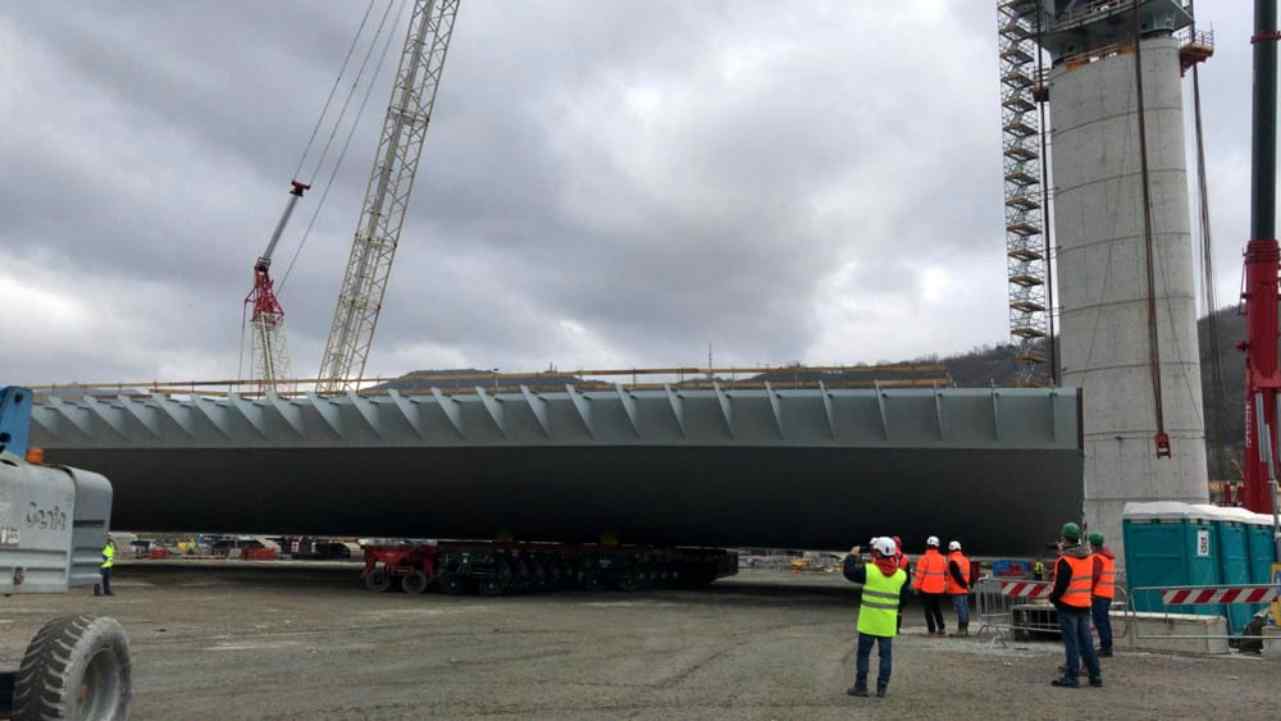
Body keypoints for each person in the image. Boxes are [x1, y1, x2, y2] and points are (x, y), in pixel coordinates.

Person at [843, 537, 909, 698]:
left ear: (877, 553)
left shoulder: (869, 570)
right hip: (887, 624)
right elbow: (904, 597)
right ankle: (882, 688)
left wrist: (852, 556)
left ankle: (861, 686)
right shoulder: (901, 576)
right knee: (885, 656)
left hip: (868, 622)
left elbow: (849, 572)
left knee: (863, 655)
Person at [1049, 522, 1102, 688]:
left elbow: (1061, 586)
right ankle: (1095, 676)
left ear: (1065, 538)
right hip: (1084, 605)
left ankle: (1071, 677)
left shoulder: (1065, 561)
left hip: (1068, 606)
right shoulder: (1089, 557)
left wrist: (1053, 598)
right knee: (1087, 643)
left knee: (1072, 644)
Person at [1088, 531, 1116, 658]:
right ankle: (1107, 646)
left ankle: (1105, 648)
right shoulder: (1108, 557)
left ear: (1092, 545)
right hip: (1108, 593)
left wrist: (1090, 591)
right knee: (1104, 621)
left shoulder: (1097, 557)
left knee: (1100, 621)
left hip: (1099, 594)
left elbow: (1095, 576)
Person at [912, 536, 947, 635]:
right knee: (937, 609)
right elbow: (945, 572)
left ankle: (931, 630)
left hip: (926, 589)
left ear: (927, 545)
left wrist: (916, 587)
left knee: (928, 610)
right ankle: (942, 627)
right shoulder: (942, 559)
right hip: (938, 589)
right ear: (937, 546)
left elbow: (919, 575)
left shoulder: (924, 558)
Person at [945, 540, 971, 637]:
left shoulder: (952, 560)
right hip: (964, 589)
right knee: (965, 608)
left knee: (960, 609)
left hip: (957, 589)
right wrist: (968, 585)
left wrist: (964, 585)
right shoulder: (965, 559)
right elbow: (970, 574)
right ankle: (965, 629)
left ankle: (962, 630)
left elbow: (957, 576)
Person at [893, 535, 909, 632]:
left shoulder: (885, 554)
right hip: (900, 584)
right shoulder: (904, 558)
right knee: (899, 609)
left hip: (888, 584)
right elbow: (907, 578)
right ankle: (897, 628)